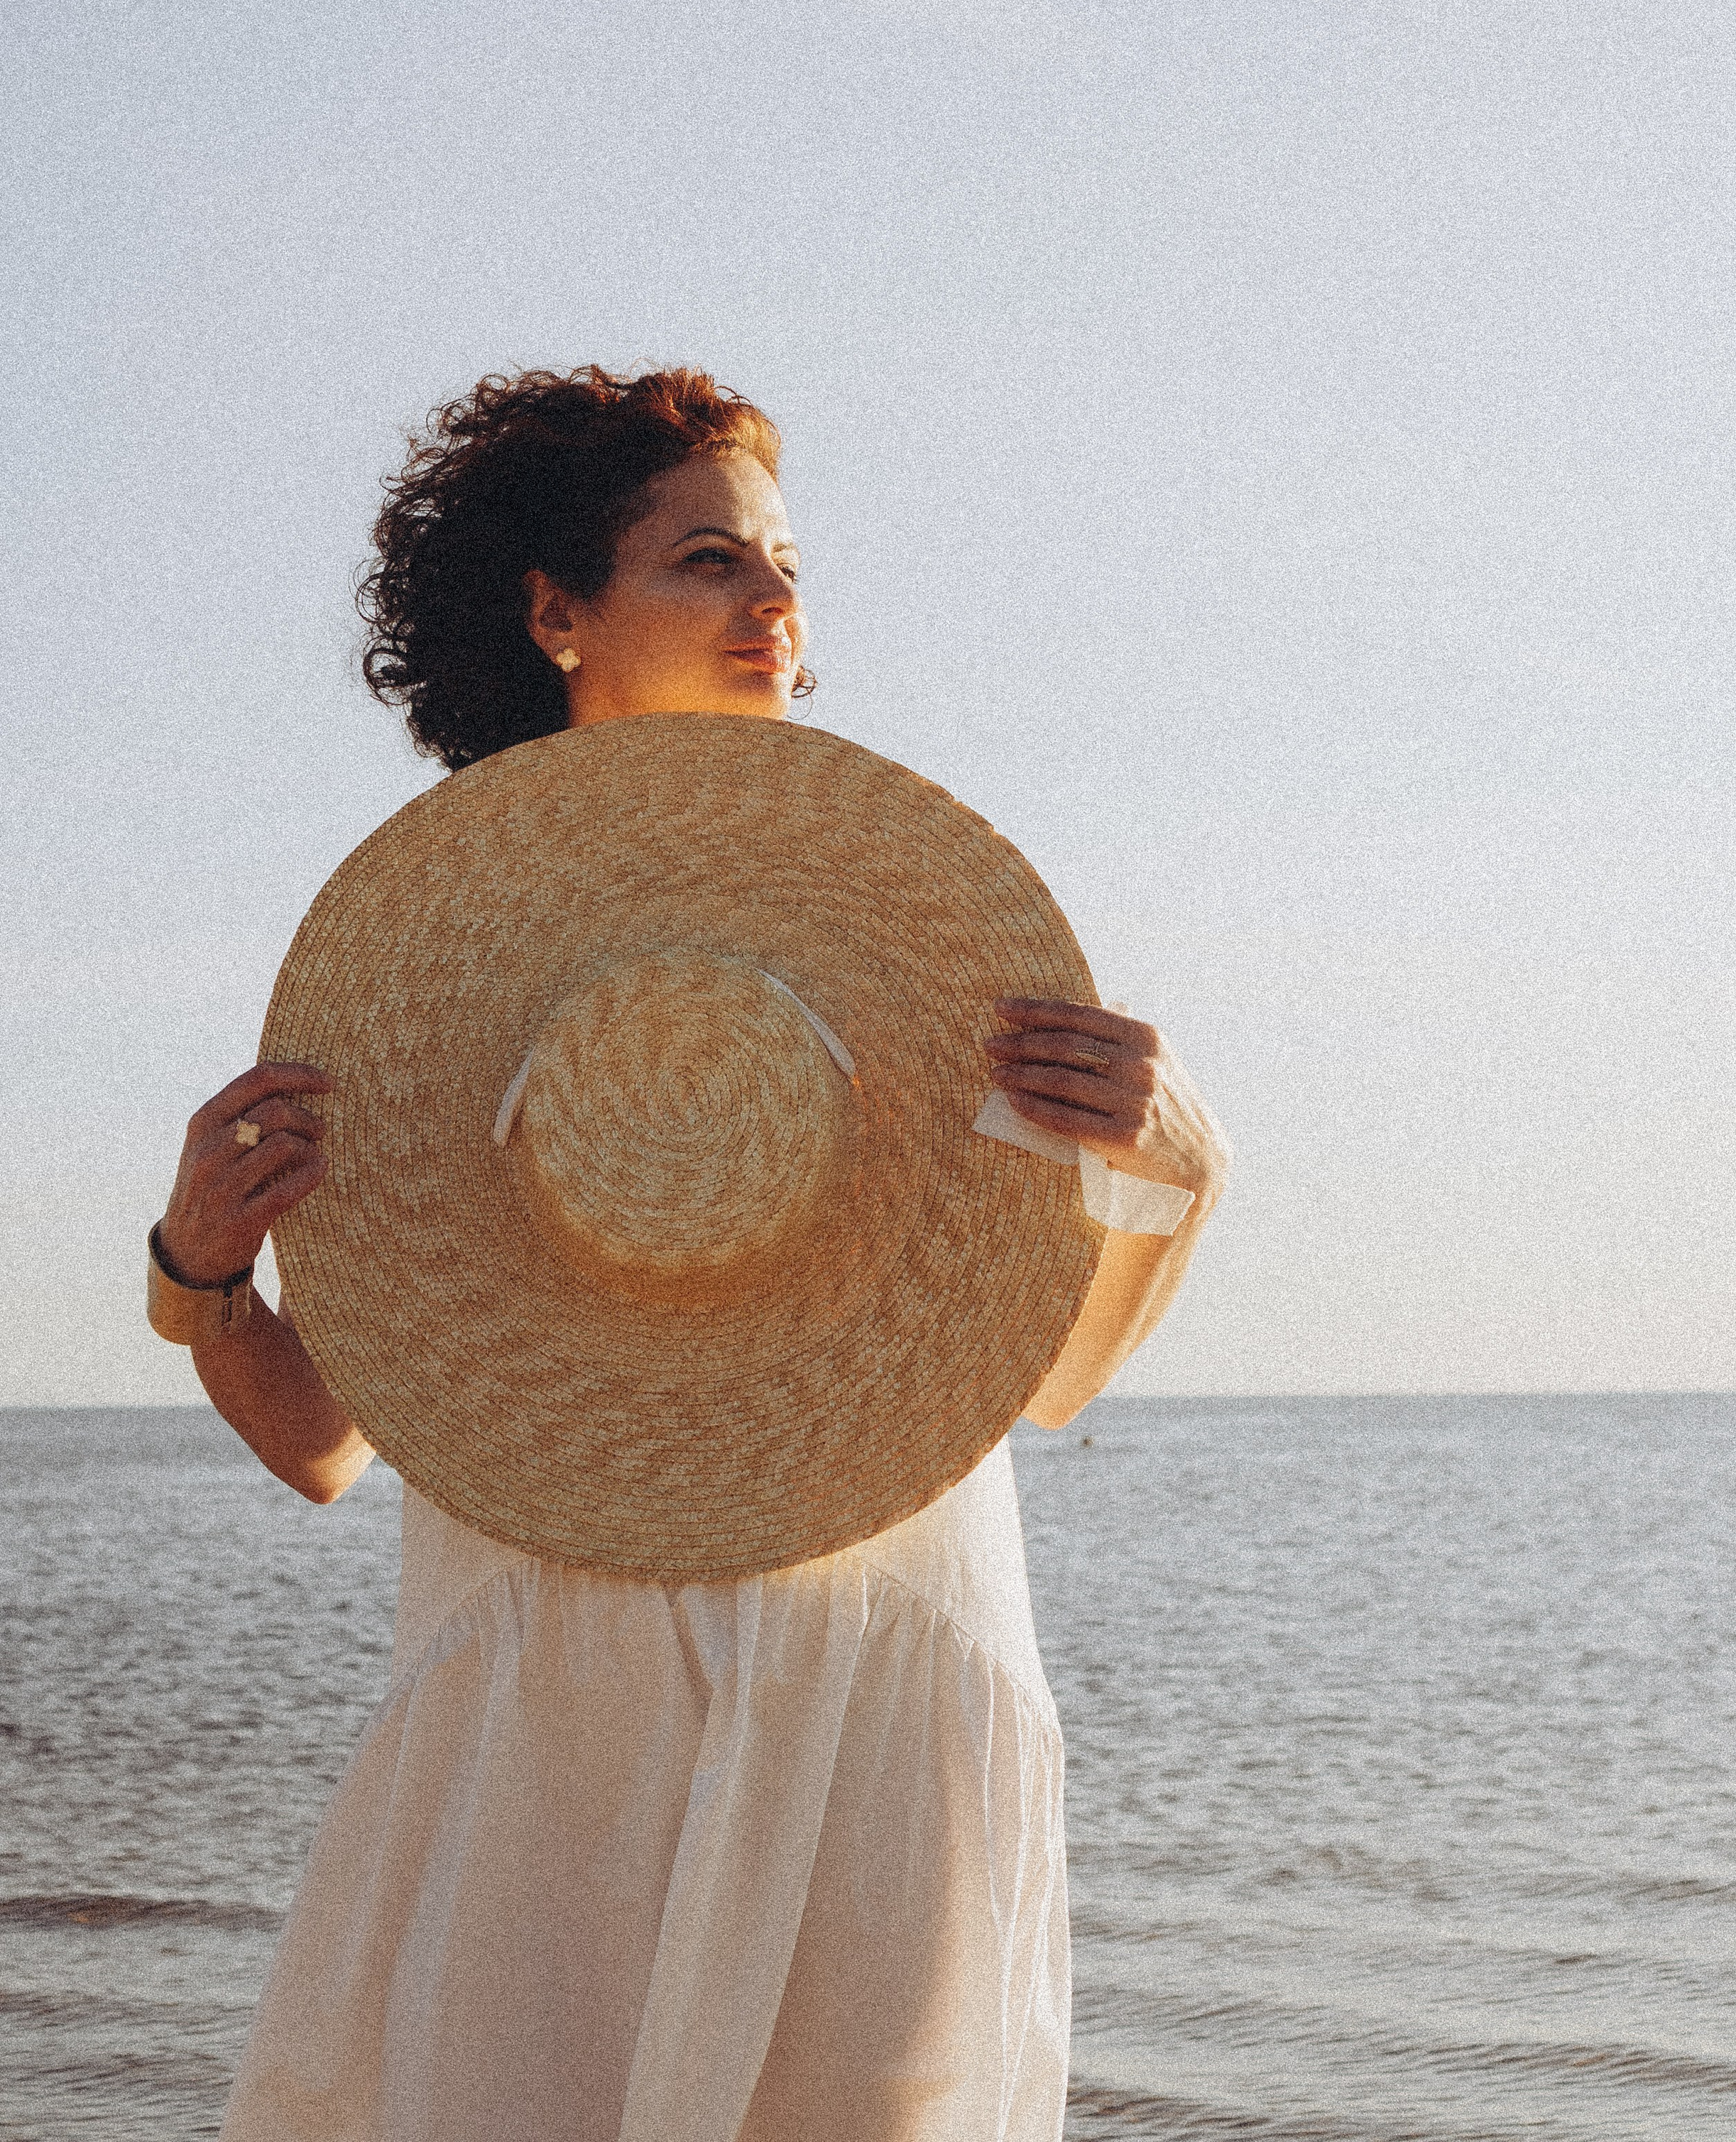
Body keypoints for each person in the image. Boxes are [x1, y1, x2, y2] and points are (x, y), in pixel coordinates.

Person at [152, 366, 1228, 2142]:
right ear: (554, 613)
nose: (778, 605)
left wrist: (1176, 1168)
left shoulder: (930, 939)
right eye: (711, 561)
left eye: (787, 565)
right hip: (551, 1729)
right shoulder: (431, 976)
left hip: (879, 1690)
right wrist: (200, 1274)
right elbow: (325, 1444)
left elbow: (1044, 1381)